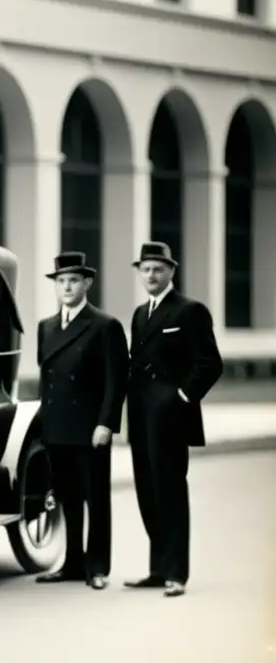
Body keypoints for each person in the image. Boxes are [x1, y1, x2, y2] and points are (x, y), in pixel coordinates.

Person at [124, 242, 223, 598]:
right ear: (139, 273)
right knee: (147, 492)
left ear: (171, 272)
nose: (151, 276)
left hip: (169, 418)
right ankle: (158, 569)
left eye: (158, 270)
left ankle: (176, 574)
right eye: (145, 270)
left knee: (170, 492)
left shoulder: (190, 311)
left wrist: (179, 398)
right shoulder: (139, 314)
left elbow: (210, 364)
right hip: (140, 416)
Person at [35, 252, 128, 590]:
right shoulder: (45, 326)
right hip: (57, 426)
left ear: (87, 283)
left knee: (96, 499)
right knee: (67, 498)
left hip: (90, 428)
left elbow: (115, 382)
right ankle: (73, 563)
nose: (67, 286)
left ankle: (98, 567)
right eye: (61, 281)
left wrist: (107, 424)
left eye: (73, 280)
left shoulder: (105, 325)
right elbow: (47, 380)